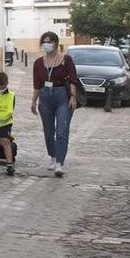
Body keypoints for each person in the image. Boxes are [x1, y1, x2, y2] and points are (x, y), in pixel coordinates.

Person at [30, 31, 78, 177]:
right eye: (44, 41)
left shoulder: (66, 60)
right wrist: (33, 101)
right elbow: (36, 84)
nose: (47, 44)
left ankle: (59, 163)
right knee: (48, 130)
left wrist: (73, 96)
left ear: (56, 43)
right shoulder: (39, 63)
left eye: (49, 41)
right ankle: (53, 156)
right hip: (45, 97)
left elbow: (73, 79)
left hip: (62, 95)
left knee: (62, 130)